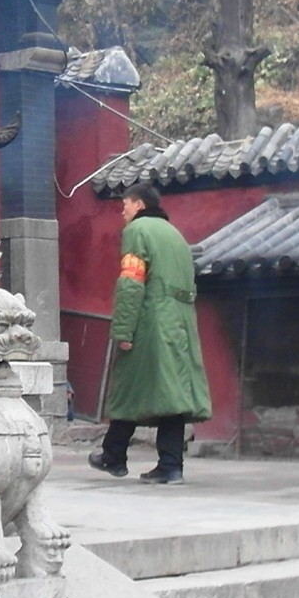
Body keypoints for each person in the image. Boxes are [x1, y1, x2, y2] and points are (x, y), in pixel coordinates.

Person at [89, 182, 211, 484]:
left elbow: (131, 283)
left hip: (151, 320)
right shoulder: (176, 236)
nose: (123, 212)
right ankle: (170, 464)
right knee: (173, 393)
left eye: (125, 205)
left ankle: (114, 456)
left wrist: (124, 329)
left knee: (129, 385)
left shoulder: (138, 232)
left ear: (140, 205)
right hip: (180, 321)